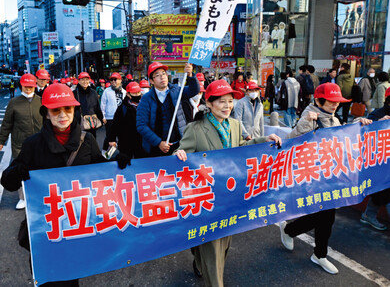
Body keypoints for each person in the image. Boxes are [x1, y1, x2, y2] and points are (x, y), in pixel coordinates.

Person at [0, 83, 130, 286]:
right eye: (56, 110)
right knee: (47, 278)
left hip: (76, 226)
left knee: (70, 278)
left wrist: (118, 163)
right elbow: (8, 181)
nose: (63, 114)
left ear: (75, 110)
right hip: (45, 229)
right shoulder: (32, 145)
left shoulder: (87, 141)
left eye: (68, 108)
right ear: (46, 113)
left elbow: (102, 174)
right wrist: (17, 171)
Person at [174, 79, 281, 287]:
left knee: (224, 244)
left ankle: (197, 254)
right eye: (221, 102)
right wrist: (178, 154)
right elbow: (180, 155)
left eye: (230, 101)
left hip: (230, 196)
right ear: (210, 103)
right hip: (206, 198)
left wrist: (263, 141)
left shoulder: (234, 124)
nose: (227, 106)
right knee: (214, 249)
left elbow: (241, 147)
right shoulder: (195, 129)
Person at [280, 83, 371, 275]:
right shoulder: (309, 116)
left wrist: (357, 125)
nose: (335, 105)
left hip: (329, 176)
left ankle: (297, 236)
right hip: (311, 176)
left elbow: (340, 138)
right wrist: (306, 123)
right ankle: (314, 250)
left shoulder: (333, 118)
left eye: (337, 101)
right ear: (319, 100)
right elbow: (291, 140)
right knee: (325, 216)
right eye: (331, 101)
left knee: (325, 217)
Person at [136, 62, 199, 157]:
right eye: (157, 75)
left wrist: (190, 75)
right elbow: (141, 125)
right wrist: (158, 142)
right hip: (156, 148)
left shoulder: (176, 90)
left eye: (163, 74)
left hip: (178, 144)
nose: (162, 77)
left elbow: (194, 90)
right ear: (151, 81)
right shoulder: (146, 99)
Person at [0, 73, 42, 210]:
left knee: (39, 170)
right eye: (26, 86)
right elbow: (6, 124)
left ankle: (40, 196)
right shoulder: (14, 103)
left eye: (31, 86)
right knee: (21, 171)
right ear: (21, 86)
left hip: (39, 143)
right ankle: (22, 198)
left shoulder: (41, 101)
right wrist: (1, 141)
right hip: (20, 144)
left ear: (35, 86)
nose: (28, 89)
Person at [359, 87, 390, 230]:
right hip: (379, 163)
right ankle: (368, 215)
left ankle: (368, 215)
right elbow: (360, 130)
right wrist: (379, 124)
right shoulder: (378, 115)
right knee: (382, 192)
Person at [108, 82, 147, 159]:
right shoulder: (122, 108)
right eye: (134, 93)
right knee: (125, 163)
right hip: (126, 141)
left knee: (141, 163)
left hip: (142, 141)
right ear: (128, 94)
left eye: (138, 92)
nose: (137, 95)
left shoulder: (145, 104)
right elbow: (115, 124)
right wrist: (112, 139)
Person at [73, 72, 104, 138]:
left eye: (87, 79)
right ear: (78, 81)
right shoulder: (74, 93)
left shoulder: (93, 92)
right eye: (82, 79)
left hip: (92, 123)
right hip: (79, 124)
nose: (85, 82)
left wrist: (101, 118)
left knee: (92, 143)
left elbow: (97, 107)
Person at [100, 72, 126, 151]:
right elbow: (103, 104)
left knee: (122, 136)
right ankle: (104, 153)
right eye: (111, 80)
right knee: (109, 137)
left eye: (115, 79)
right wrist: (103, 116)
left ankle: (122, 153)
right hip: (110, 118)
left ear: (120, 80)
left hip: (122, 119)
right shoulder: (106, 91)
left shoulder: (124, 92)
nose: (113, 81)